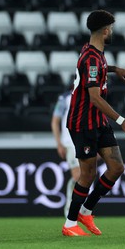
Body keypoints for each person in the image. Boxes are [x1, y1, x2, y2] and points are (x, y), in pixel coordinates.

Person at [62, 10, 125, 237]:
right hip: (83, 122)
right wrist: (122, 121)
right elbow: (95, 97)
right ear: (105, 30)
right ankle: (69, 224)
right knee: (87, 175)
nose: (112, 32)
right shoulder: (92, 59)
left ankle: (86, 211)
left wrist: (116, 70)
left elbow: (96, 71)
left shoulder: (94, 52)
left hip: (98, 121)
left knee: (117, 167)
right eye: (112, 28)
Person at [51, 89, 79, 218]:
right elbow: (55, 120)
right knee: (78, 176)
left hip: (87, 141)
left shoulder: (94, 94)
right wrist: (59, 143)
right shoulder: (65, 97)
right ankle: (70, 209)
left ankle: (81, 210)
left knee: (87, 176)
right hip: (70, 142)